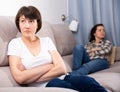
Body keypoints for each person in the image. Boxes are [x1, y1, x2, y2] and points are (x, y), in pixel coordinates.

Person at [7, 6, 107, 92]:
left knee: (88, 81)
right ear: (18, 24)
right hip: (45, 85)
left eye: (31, 21)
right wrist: (49, 66)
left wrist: (30, 77)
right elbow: (20, 78)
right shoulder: (15, 44)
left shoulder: (46, 41)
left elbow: (62, 69)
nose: (27, 26)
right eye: (23, 21)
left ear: (37, 24)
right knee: (70, 89)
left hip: (65, 77)